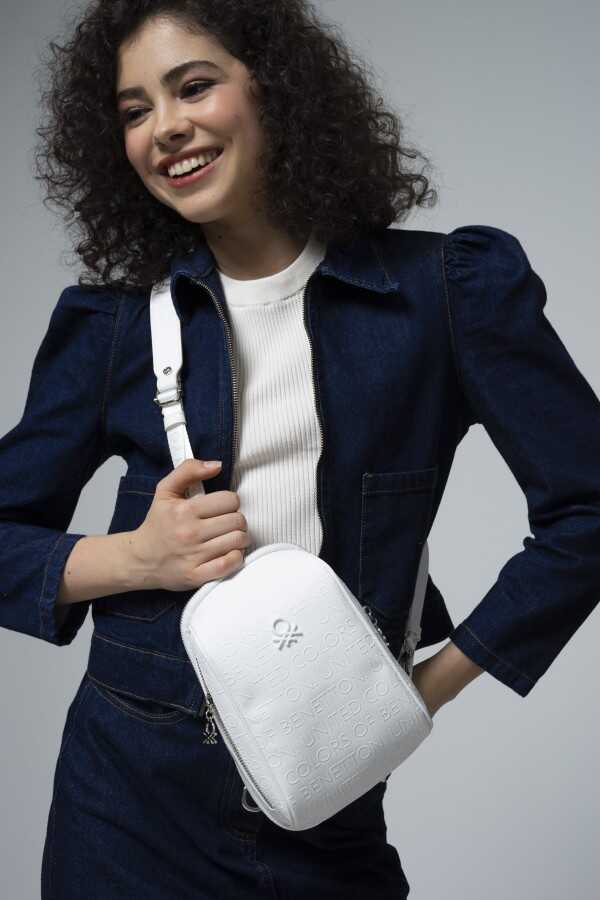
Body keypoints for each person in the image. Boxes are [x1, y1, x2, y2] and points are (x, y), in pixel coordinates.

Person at [2, 1, 599, 898]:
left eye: (193, 86)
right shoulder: (115, 324)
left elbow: (588, 509)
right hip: (123, 805)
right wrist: (136, 558)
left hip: (326, 808)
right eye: (134, 111)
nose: (166, 128)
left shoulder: (445, 292)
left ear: (274, 89)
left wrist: (420, 692)